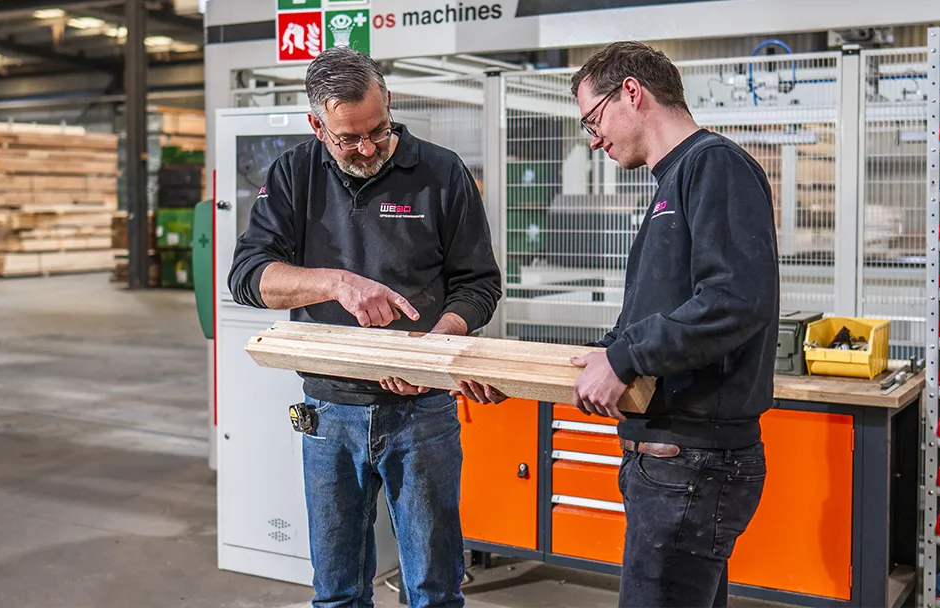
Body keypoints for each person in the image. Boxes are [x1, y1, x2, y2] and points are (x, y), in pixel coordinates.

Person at [228, 46, 503, 608]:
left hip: (422, 411)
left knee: (434, 588)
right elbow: (248, 277)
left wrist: (434, 345)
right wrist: (336, 284)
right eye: (348, 138)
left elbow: (479, 284)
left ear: (389, 104)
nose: (368, 148)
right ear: (316, 125)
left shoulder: (442, 172)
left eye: (378, 130)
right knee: (337, 591)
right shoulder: (292, 174)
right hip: (329, 412)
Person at [567, 41, 780, 608]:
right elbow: (664, 306)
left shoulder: (712, 165)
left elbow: (736, 298)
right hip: (673, 462)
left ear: (631, 92)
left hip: (693, 461)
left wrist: (626, 359)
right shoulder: (673, 181)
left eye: (594, 118)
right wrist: (608, 352)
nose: (593, 139)